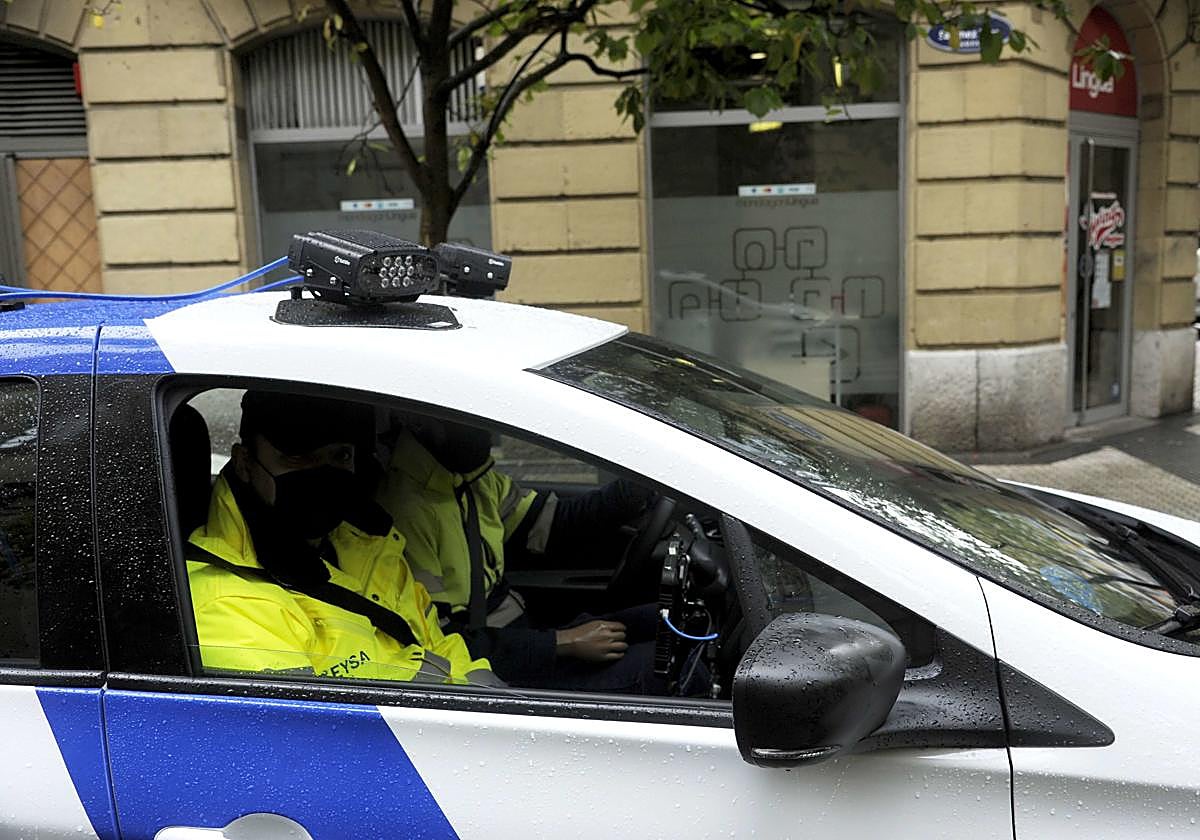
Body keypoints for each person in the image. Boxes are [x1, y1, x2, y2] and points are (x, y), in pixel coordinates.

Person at [186, 391, 495, 686]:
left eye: (340, 455)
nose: (322, 473)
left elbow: (441, 648)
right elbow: (306, 732)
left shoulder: (371, 545)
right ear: (244, 462)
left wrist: (495, 699)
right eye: (298, 456)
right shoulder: (227, 603)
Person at [376, 416, 665, 693]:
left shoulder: (470, 480)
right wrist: (562, 642)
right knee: (657, 670)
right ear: (419, 421)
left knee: (662, 621)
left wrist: (632, 491)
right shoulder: (405, 511)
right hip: (488, 670)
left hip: (521, 638)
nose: (486, 433)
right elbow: (438, 643)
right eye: (468, 420)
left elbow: (552, 523)